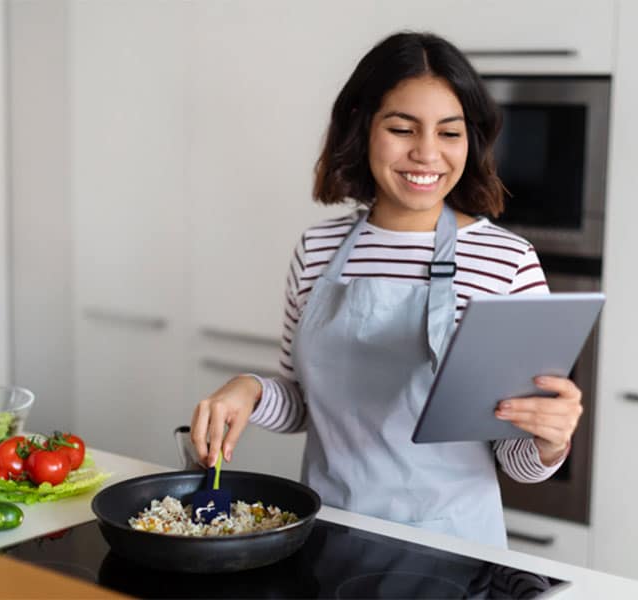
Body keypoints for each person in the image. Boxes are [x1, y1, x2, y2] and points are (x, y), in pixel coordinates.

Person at [190, 31, 583, 548]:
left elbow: (515, 459)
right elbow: (304, 406)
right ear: (362, 128)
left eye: (449, 133)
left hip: (452, 549)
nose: (426, 154)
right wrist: (249, 388)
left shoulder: (506, 262)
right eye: (402, 128)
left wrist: (549, 440)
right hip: (327, 535)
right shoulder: (317, 249)